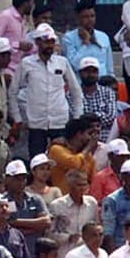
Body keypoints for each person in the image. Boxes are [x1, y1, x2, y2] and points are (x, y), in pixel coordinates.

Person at [10, 24, 83, 158]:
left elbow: (76, 91)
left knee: (61, 161)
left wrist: (78, 118)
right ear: (37, 42)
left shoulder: (62, 62)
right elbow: (13, 91)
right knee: (37, 161)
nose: (49, 45)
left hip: (59, 122)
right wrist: (18, 118)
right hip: (36, 123)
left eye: (52, 42)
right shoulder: (27, 63)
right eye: (46, 42)